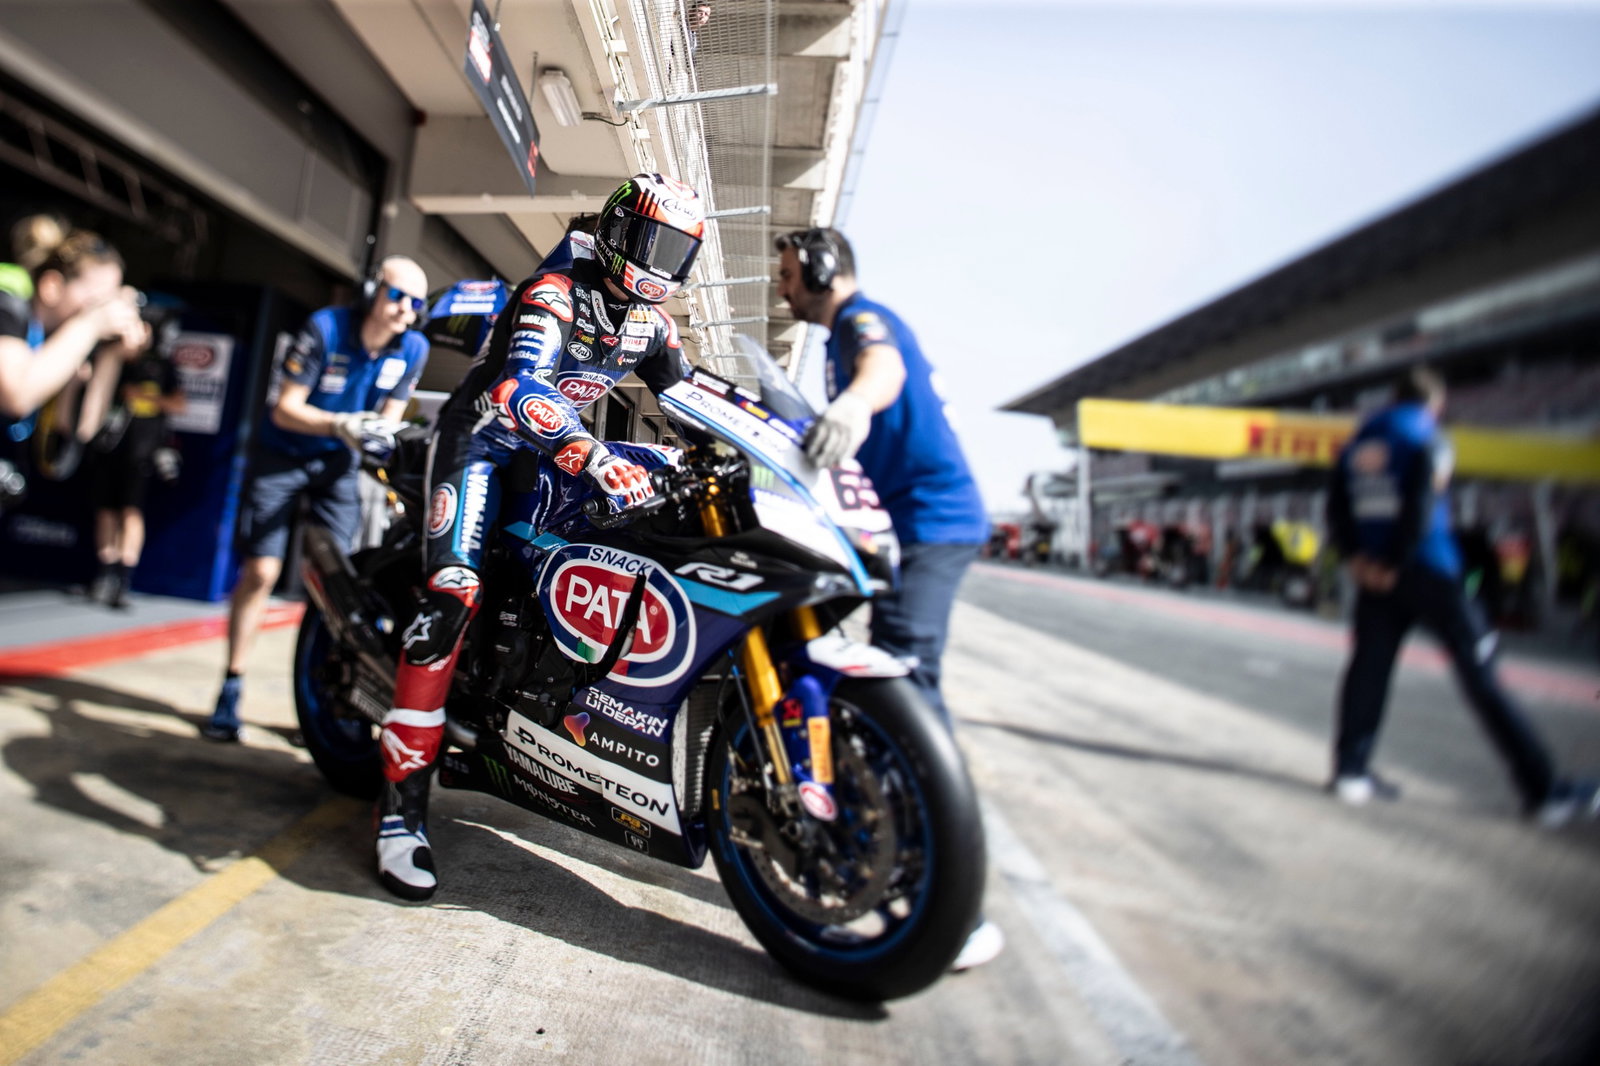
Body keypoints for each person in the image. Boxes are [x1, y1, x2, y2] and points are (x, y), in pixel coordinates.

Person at [372, 173, 705, 902]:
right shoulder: (556, 290)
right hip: (482, 444)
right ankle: (401, 815)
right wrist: (595, 455)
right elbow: (516, 387)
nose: (662, 264)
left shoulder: (652, 325)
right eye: (655, 243)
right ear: (619, 231)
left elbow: (690, 401)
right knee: (452, 594)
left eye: (680, 254)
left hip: (548, 456)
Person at [773, 227, 1002, 971]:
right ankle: (923, 864)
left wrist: (856, 407)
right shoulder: (838, 339)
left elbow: (885, 370)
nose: (782, 288)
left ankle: (948, 901)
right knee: (893, 679)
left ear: (821, 268)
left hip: (936, 522)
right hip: (913, 526)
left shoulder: (861, 324)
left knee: (907, 686)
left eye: (787, 273)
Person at [1326, 365, 1598, 825]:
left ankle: (1350, 772)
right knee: (1482, 677)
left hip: (1373, 576)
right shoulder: (1430, 437)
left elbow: (1337, 505)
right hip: (1430, 571)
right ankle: (1544, 790)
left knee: (1367, 672)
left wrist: (1359, 559)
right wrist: (1397, 561)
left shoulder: (1357, 442)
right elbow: (1421, 503)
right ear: (1435, 404)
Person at [200, 255, 431, 742]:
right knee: (261, 571)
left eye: (416, 303)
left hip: (338, 466)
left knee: (337, 589)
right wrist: (339, 424)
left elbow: (385, 421)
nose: (405, 310)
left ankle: (319, 702)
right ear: (372, 293)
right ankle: (231, 687)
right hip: (283, 454)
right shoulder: (325, 328)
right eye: (397, 297)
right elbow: (285, 410)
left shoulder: (413, 348)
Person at [88, 303, 186, 608]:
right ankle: (104, 573)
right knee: (105, 509)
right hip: (109, 446)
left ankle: (123, 577)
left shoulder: (162, 366)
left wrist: (143, 395)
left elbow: (179, 404)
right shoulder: (112, 360)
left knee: (131, 511)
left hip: (143, 450)